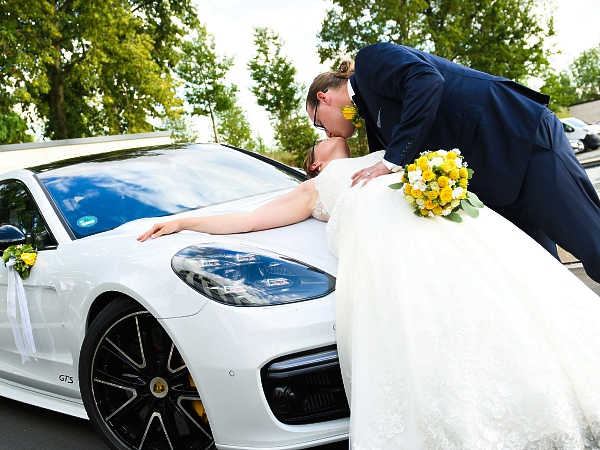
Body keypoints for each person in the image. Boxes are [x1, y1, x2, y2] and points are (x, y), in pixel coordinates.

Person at [138, 138, 600, 449]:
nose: (321, 132)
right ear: (316, 165)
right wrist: (183, 221)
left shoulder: (384, 151)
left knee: (499, 308)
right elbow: (252, 220)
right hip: (391, 257)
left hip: (452, 238)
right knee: (432, 332)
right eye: (315, 142)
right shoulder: (315, 185)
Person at [305, 42, 600, 284]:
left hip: (519, 142)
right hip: (498, 186)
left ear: (324, 98)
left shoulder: (371, 61)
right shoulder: (372, 123)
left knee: (593, 245)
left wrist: (391, 160)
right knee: (540, 273)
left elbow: (426, 80)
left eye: (320, 124)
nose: (328, 133)